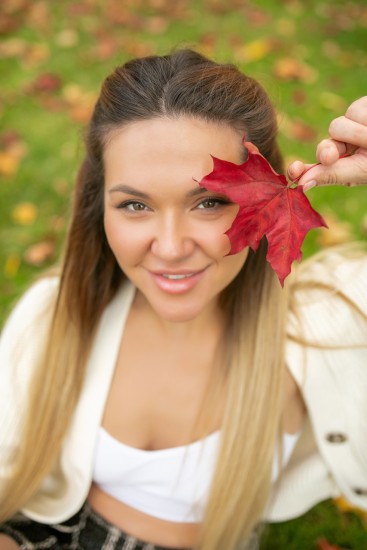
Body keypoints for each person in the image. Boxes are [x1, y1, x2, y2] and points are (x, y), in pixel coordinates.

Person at [0, 50, 366, 550]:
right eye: (135, 205)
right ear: (98, 204)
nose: (170, 247)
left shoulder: (336, 322)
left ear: (263, 196)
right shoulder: (54, 313)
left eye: (209, 202)